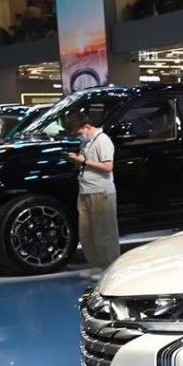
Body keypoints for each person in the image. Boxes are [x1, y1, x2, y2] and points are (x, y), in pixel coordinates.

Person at [65, 110, 119, 280]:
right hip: (85, 191)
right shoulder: (87, 142)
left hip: (101, 192)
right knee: (87, 233)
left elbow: (108, 166)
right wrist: (77, 160)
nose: (79, 137)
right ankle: (96, 265)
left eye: (79, 133)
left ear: (87, 127)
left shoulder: (103, 141)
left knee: (105, 232)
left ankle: (109, 267)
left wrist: (84, 161)